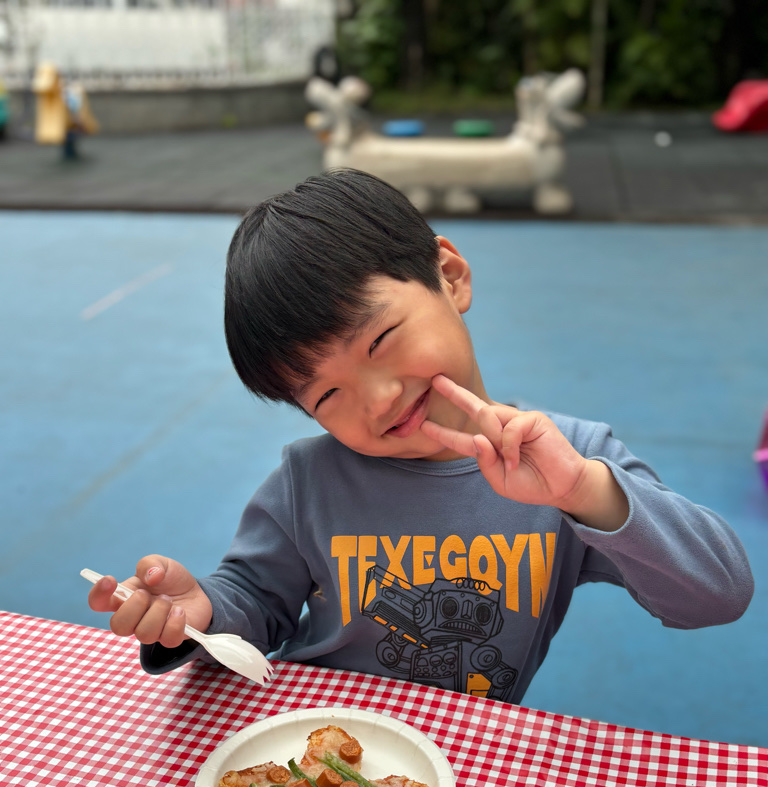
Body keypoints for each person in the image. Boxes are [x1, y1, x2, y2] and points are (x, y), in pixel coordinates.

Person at [88, 169, 754, 703]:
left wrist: (585, 491)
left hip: (465, 766)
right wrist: (200, 610)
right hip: (322, 747)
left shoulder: (568, 461)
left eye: (380, 339)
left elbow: (718, 593)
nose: (378, 399)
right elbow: (256, 605)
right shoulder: (307, 484)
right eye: (326, 395)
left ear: (451, 278)